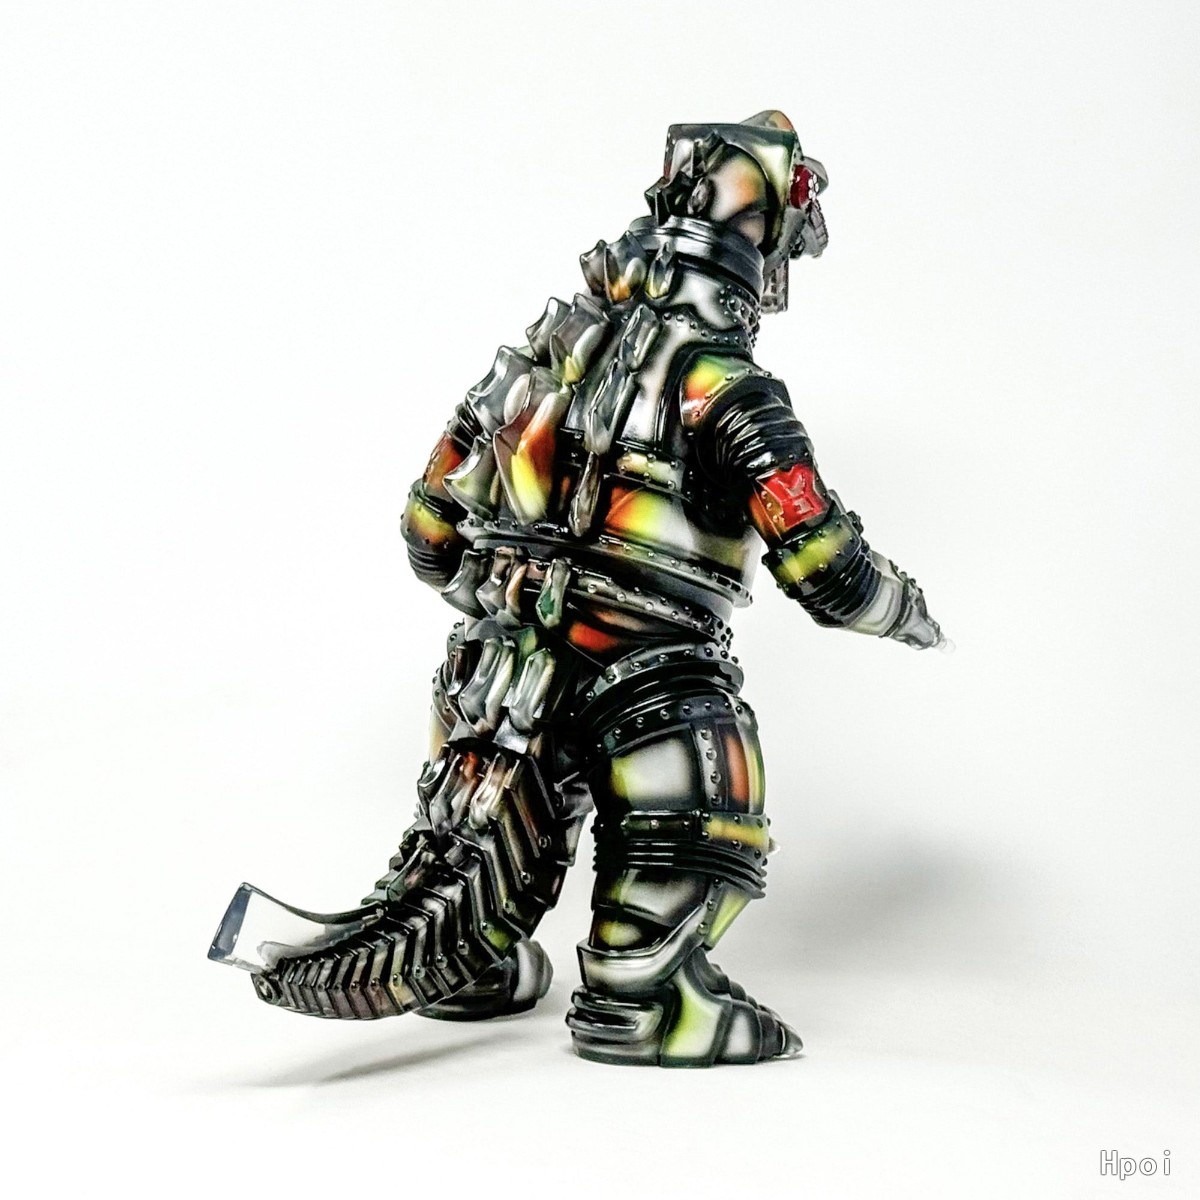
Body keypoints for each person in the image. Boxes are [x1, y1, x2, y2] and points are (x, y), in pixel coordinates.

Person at [210, 111, 942, 1068]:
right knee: (705, 768)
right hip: (641, 681)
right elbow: (827, 572)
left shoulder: (529, 370)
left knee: (477, 820)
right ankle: (646, 991)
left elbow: (428, 531)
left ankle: (478, 960)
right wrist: (910, 613)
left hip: (488, 679)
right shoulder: (726, 391)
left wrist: (514, 603)